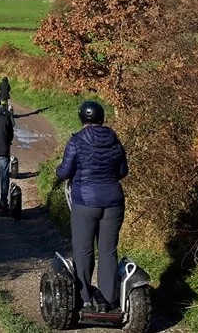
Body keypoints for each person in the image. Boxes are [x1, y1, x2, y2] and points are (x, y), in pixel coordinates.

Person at [55, 100, 128, 313]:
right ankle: (107, 300)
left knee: (83, 250)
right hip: (113, 202)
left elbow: (65, 171)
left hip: (85, 202)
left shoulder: (76, 142)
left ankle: (84, 299)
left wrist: (59, 173)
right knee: (108, 251)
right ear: (101, 118)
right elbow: (122, 171)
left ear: (82, 118)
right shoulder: (115, 141)